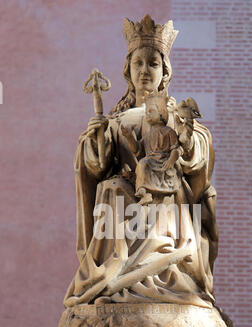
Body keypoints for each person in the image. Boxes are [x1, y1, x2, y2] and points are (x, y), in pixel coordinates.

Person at [64, 15, 218, 308]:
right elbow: (96, 165)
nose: (145, 70)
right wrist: (95, 139)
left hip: (167, 192)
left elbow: (197, 153)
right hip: (125, 192)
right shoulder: (114, 118)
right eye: (138, 63)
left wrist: (185, 138)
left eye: (153, 63)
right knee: (111, 189)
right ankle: (112, 275)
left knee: (149, 196)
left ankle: (162, 268)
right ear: (128, 70)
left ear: (165, 72)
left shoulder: (176, 114)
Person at [121, 90, 183, 205]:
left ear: (161, 113)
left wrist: (171, 160)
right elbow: (138, 150)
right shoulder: (148, 135)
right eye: (146, 112)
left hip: (164, 162)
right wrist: (129, 137)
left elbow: (177, 149)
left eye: (151, 111)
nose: (147, 115)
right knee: (142, 164)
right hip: (150, 162)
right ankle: (144, 193)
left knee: (144, 163)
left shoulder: (169, 132)